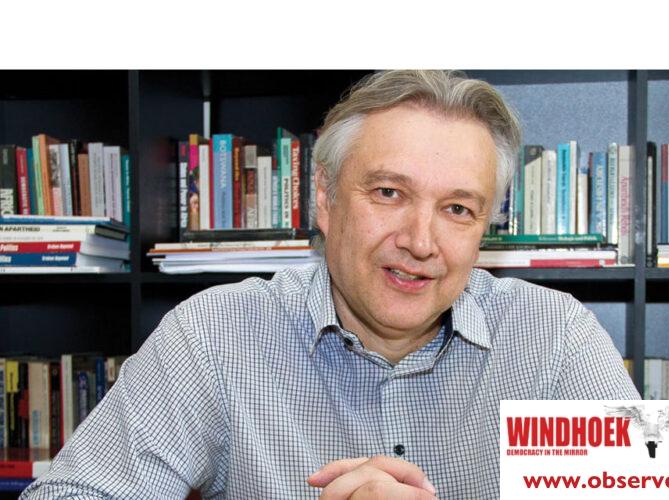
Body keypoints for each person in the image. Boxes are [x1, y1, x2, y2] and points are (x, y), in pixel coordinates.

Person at [22, 70, 638, 500]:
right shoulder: (214, 335)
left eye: (457, 209)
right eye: (389, 193)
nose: (420, 242)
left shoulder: (552, 337)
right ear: (324, 197)